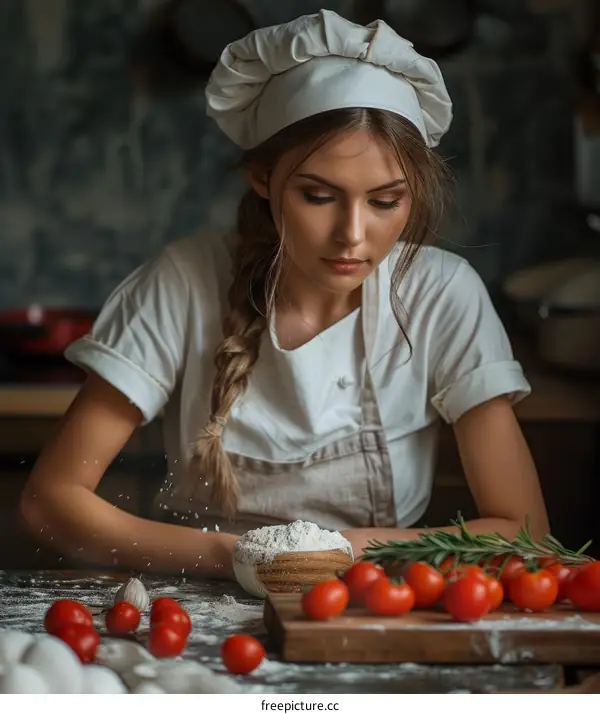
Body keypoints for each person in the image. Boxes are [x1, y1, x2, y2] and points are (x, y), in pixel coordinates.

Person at [19, 10, 549, 582]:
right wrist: (236, 556)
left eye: (385, 201)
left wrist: (340, 553)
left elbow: (525, 532)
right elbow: (50, 502)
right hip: (193, 602)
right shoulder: (183, 282)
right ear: (263, 178)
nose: (352, 233)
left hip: (374, 599)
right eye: (319, 196)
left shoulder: (441, 294)